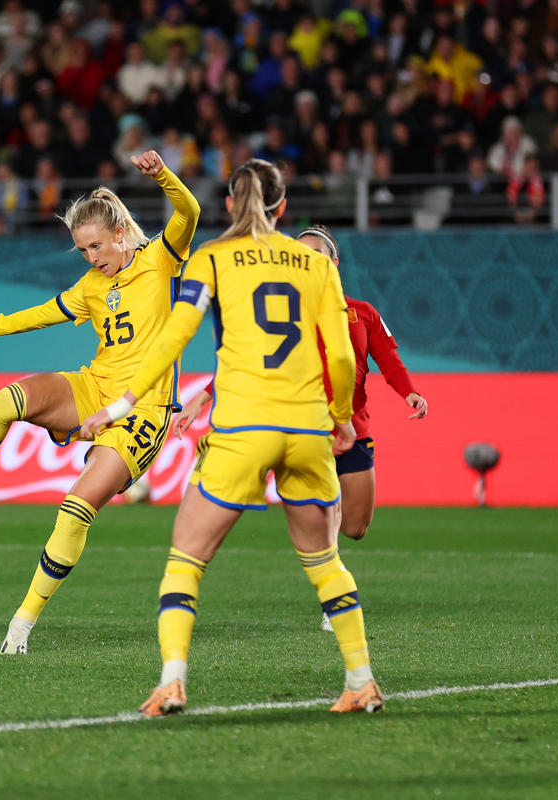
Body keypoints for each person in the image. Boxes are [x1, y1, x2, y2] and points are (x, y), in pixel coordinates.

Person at [77, 159, 382, 716]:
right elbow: (340, 353)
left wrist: (122, 403)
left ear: (228, 206)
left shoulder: (213, 258)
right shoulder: (314, 264)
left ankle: (172, 681)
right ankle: (360, 680)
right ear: (282, 209)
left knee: (186, 559)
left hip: (244, 427)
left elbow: (174, 336)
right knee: (324, 559)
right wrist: (340, 417)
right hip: (309, 426)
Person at [0, 150, 199, 655]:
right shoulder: (92, 286)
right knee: (7, 400)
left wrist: (162, 176)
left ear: (120, 233)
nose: (92, 257)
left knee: (75, 508)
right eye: (82, 250)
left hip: (145, 411)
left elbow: (189, 214)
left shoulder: (162, 260)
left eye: (96, 245)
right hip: (93, 386)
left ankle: (22, 624)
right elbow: (45, 313)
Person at [171, 224, 429, 631]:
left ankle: (319, 534)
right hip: (304, 426)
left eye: (317, 254)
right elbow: (248, 361)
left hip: (354, 430)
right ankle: (334, 602)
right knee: (330, 509)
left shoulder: (362, 312)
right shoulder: (282, 313)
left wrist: (410, 393)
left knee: (357, 526)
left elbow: (389, 359)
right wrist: (203, 397)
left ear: (334, 262)